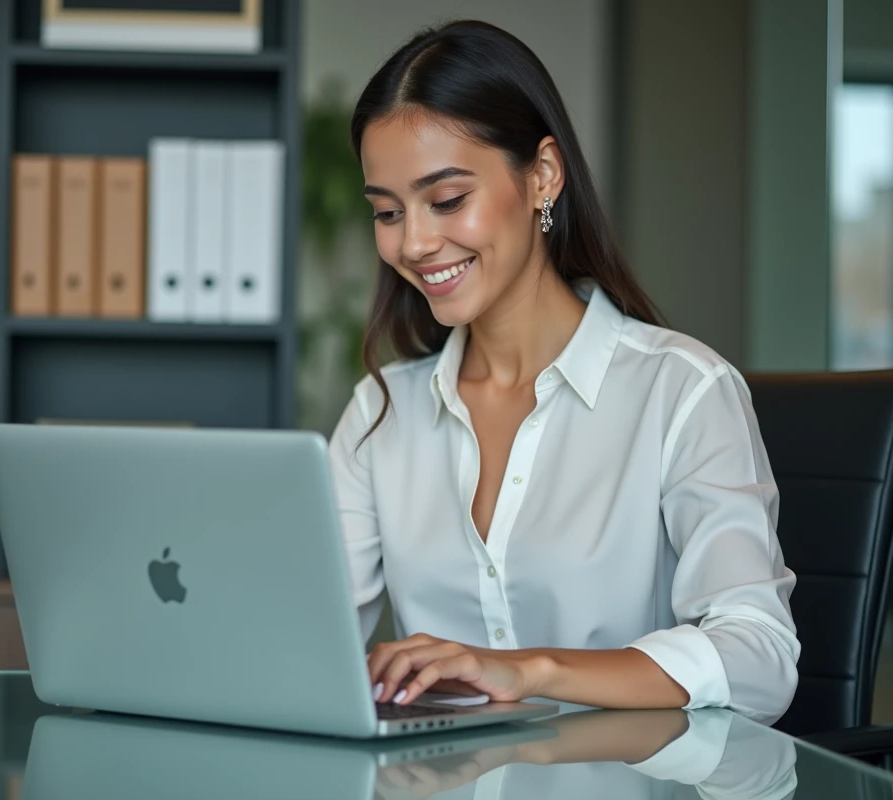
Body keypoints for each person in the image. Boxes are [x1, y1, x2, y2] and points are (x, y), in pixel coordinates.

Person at [325, 18, 799, 725]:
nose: (415, 242)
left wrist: (527, 670)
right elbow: (305, 640)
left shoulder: (681, 393)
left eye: (448, 199)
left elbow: (760, 658)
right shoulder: (380, 411)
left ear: (543, 174)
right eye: (388, 211)